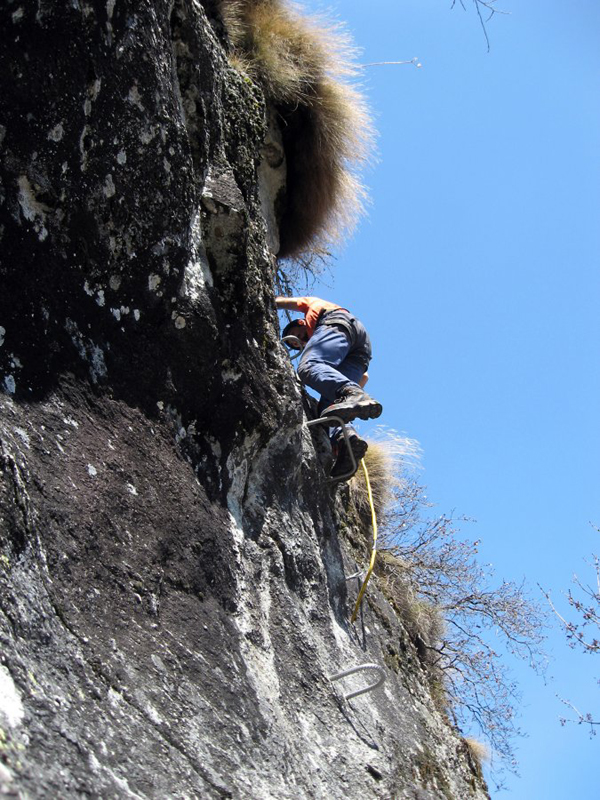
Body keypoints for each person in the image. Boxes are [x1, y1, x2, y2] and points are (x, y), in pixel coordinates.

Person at [275, 295, 382, 478]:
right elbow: (364, 376)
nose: (302, 342)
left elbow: (294, 302)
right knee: (329, 408)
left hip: (337, 323)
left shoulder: (314, 309)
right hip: (360, 350)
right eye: (299, 344)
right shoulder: (329, 347)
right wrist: (350, 391)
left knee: (309, 366)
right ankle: (347, 443)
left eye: (300, 336)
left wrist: (271, 301)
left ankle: (351, 395)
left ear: (302, 323)